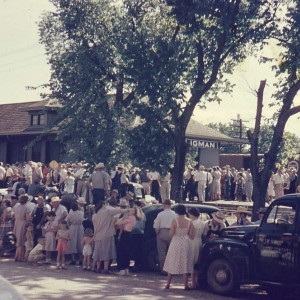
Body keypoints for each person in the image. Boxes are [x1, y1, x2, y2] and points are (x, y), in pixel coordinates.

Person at [163, 204, 195, 290]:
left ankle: (168, 284)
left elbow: (171, 234)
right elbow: (192, 236)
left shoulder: (174, 220)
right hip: (185, 242)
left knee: (172, 261)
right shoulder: (189, 221)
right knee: (185, 261)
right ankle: (185, 285)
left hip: (176, 242)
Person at [92, 201, 127, 274]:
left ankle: (98, 268)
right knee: (106, 252)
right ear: (103, 205)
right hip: (107, 234)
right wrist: (127, 210)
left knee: (98, 252)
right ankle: (105, 269)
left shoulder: (95, 215)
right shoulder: (107, 211)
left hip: (97, 235)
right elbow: (118, 210)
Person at [115, 206, 142, 276]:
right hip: (129, 234)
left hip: (125, 234)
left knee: (121, 251)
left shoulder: (129, 218)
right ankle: (126, 269)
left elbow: (117, 223)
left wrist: (123, 218)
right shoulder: (134, 218)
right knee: (127, 251)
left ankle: (122, 269)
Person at [153, 199, 177, 274]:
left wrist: (157, 233)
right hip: (172, 232)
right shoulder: (175, 214)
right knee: (172, 252)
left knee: (162, 253)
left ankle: (163, 270)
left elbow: (156, 226)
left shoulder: (160, 214)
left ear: (165, 205)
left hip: (162, 232)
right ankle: (172, 270)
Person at [188, 207, 206, 289]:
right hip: (199, 241)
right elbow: (204, 233)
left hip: (192, 242)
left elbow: (191, 235)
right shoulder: (203, 223)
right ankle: (197, 281)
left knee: (192, 262)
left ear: (191, 214)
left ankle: (193, 283)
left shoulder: (191, 223)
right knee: (197, 261)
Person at [13, 195, 31, 261]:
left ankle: (17, 255)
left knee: (17, 239)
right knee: (21, 240)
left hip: (16, 222)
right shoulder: (26, 208)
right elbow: (28, 218)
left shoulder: (16, 207)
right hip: (22, 223)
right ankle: (19, 256)